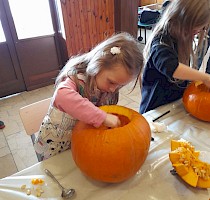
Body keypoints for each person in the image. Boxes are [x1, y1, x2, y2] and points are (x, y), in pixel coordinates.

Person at [34, 32, 144, 160]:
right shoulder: (77, 79)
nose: (114, 89)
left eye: (120, 86)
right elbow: (61, 96)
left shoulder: (108, 88)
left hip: (82, 144)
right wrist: (101, 117)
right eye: (112, 82)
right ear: (98, 65)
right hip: (55, 147)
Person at [139, 0, 210, 114]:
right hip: (154, 109)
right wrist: (204, 78)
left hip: (173, 105)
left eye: (201, 29)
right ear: (180, 21)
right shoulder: (160, 41)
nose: (197, 32)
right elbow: (171, 67)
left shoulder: (179, 37)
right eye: (193, 29)